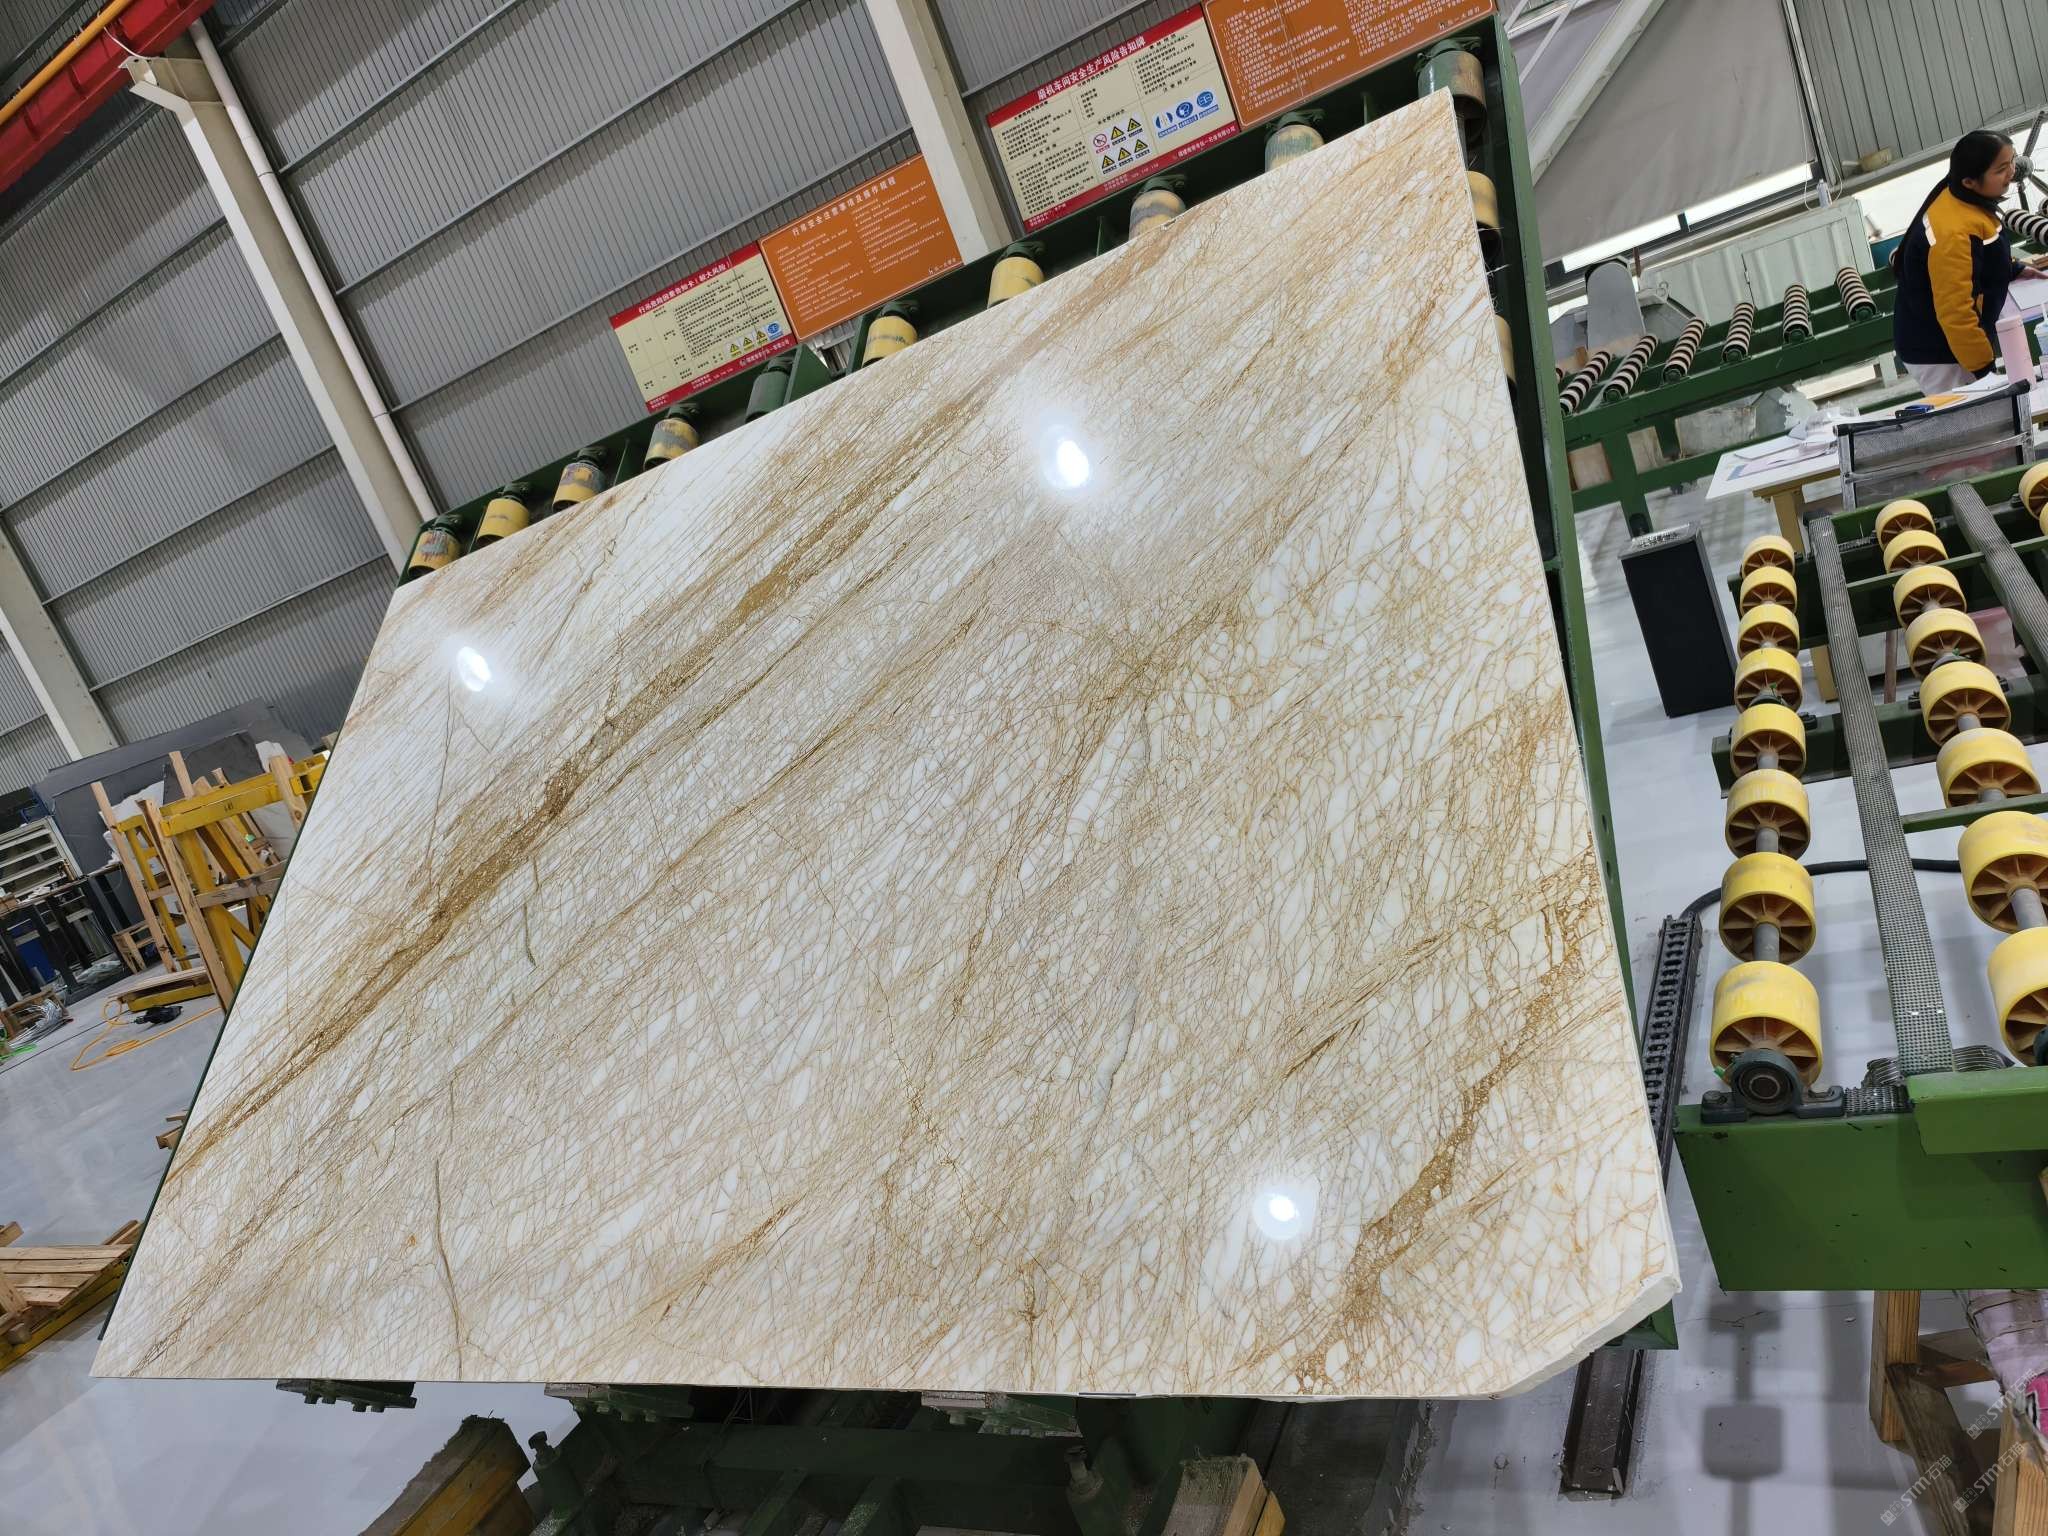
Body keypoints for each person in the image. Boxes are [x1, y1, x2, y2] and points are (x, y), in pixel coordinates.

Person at [1891, 128, 2048, 393]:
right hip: (1941, 354)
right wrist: (1984, 371)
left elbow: (1977, 255)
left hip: (1955, 344)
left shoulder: (1966, 200)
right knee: (1979, 414)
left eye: (2012, 160)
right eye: (2001, 169)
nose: (2012, 171)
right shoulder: (1952, 232)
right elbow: (1956, 311)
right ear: (1970, 182)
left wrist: (2011, 269)